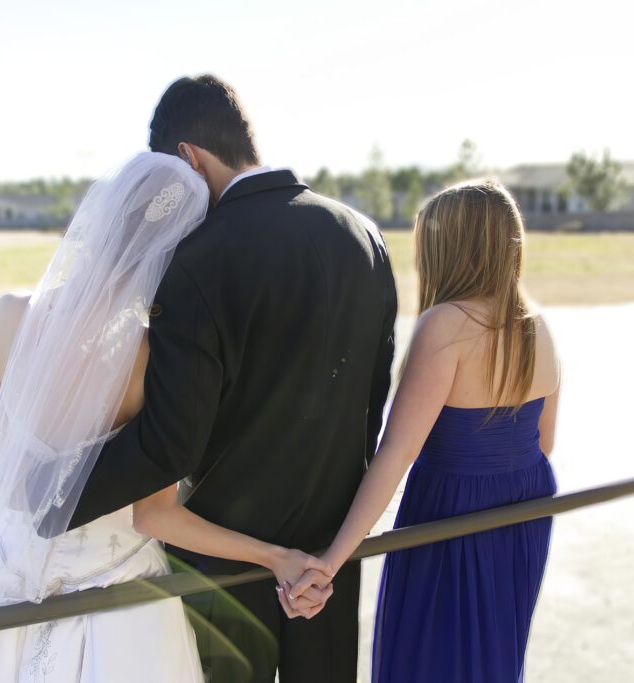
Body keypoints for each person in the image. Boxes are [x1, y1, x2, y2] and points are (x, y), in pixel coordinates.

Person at [0, 151, 331, 682]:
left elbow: (8, 467)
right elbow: (154, 516)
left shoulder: (7, 316)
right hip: (116, 594)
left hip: (0, 577)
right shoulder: (149, 359)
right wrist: (276, 557)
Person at [62, 75, 398, 683]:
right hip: (328, 563)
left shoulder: (195, 259)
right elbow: (370, 406)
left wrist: (57, 494)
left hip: (223, 569)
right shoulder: (364, 236)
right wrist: (325, 557)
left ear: (189, 158)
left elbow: (171, 445)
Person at [291, 180, 561, 682]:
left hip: (451, 510)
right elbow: (543, 444)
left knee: (428, 658)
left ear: (449, 248)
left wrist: (331, 559)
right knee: (492, 655)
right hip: (525, 507)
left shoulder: (446, 324)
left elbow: (396, 453)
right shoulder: (537, 325)